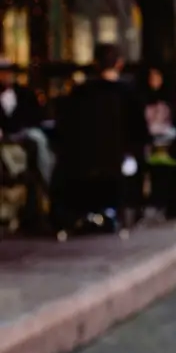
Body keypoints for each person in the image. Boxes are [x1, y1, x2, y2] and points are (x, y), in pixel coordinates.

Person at [52, 43, 149, 231]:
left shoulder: (79, 94)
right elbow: (141, 135)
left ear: (95, 64)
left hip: (81, 166)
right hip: (118, 164)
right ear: (119, 64)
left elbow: (64, 131)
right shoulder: (129, 94)